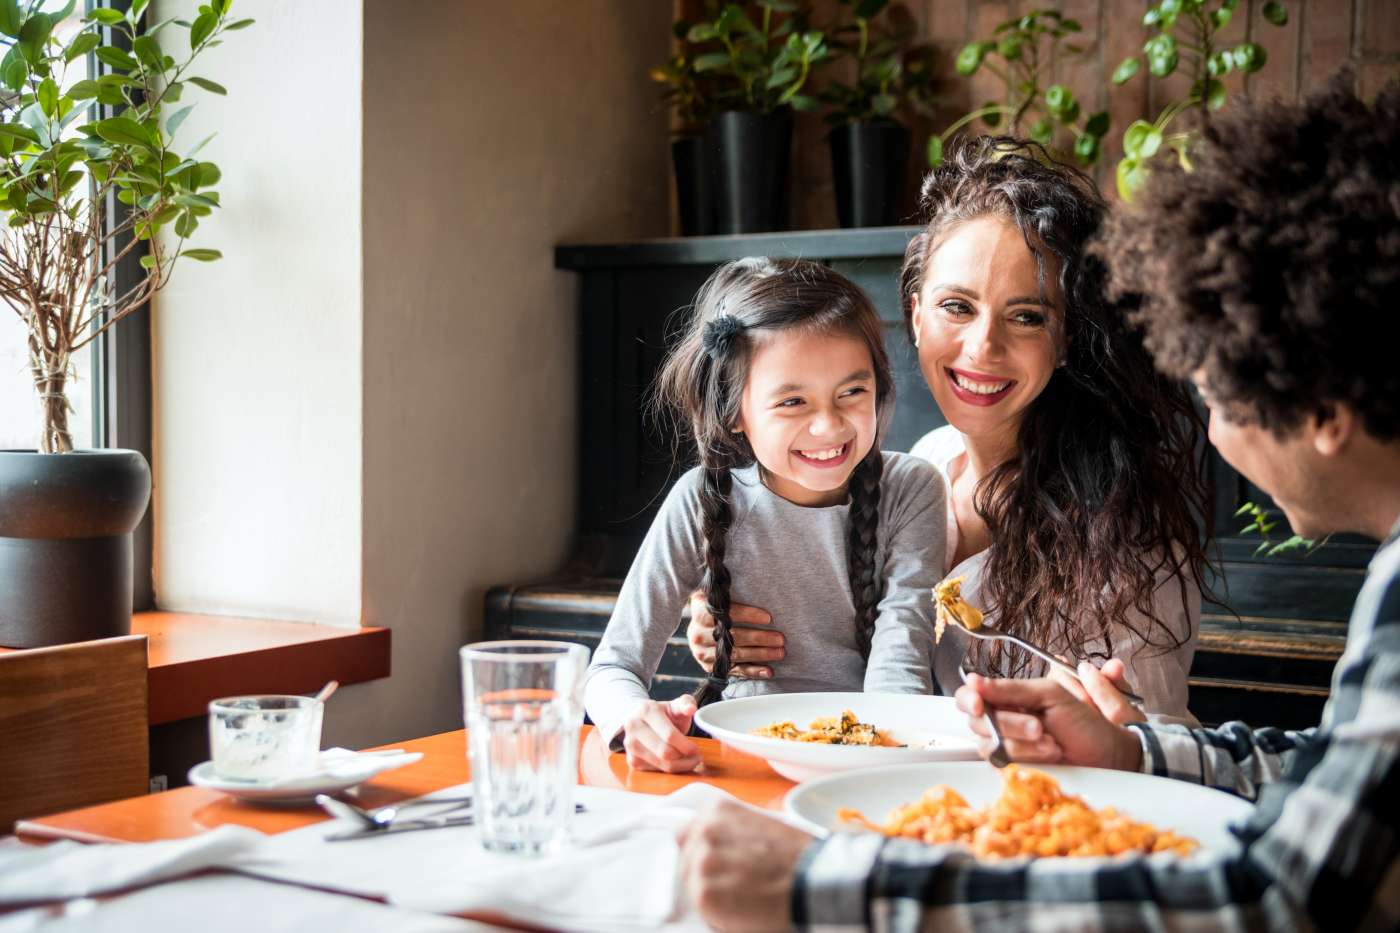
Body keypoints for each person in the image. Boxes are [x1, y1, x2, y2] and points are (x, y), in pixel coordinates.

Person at [678, 72, 1400, 931]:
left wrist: (831, 886)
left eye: (1222, 393)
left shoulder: (1125, 520)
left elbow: (1277, 894)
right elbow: (1323, 774)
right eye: (956, 306)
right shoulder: (903, 478)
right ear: (914, 316)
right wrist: (740, 612)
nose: (1212, 432)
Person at [687, 137, 1213, 722]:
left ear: (1067, 339)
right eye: (956, 307)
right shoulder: (919, 467)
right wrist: (739, 628)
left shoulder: (1125, 536)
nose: (983, 347)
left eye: (1027, 316)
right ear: (915, 316)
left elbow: (1150, 748)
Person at [583, 258, 948, 772]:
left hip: (876, 756)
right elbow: (612, 667)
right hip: (742, 758)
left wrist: (877, 760)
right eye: (793, 401)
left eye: (852, 392)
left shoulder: (913, 489)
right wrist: (632, 718)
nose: (829, 426)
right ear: (734, 411)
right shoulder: (701, 499)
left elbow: (901, 655)